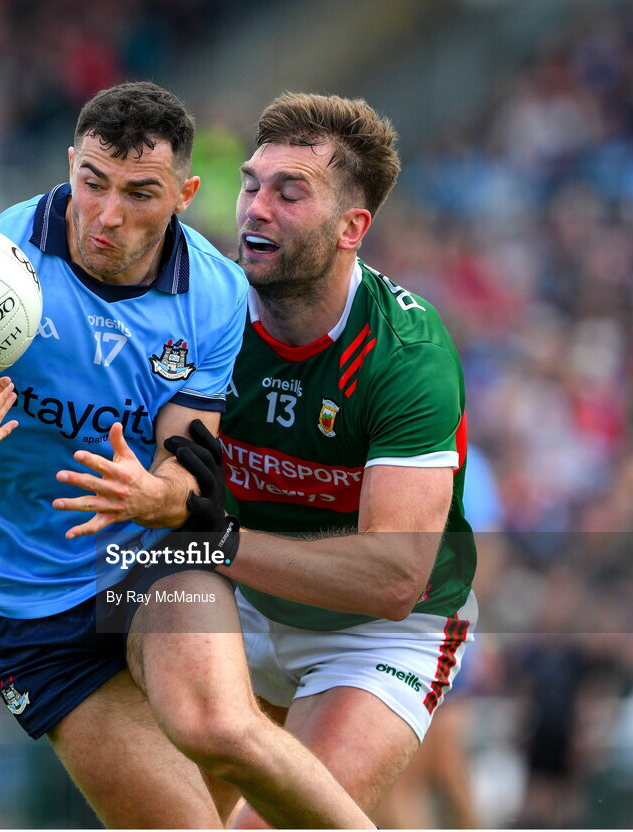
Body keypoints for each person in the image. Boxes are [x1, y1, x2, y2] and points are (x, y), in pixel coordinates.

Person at [0, 81, 372, 829]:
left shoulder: (215, 296)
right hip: (32, 613)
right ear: (70, 165)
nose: (107, 214)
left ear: (186, 193)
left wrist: (163, 494)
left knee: (220, 729)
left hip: (148, 567)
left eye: (140, 193)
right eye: (91, 183)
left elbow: (187, 455)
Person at [169, 92, 478, 824]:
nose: (254, 208)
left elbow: (393, 577)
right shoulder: (201, 311)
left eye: (289, 192)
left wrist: (220, 544)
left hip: (376, 635)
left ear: (352, 228)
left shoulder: (405, 355)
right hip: (236, 605)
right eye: (250, 183)